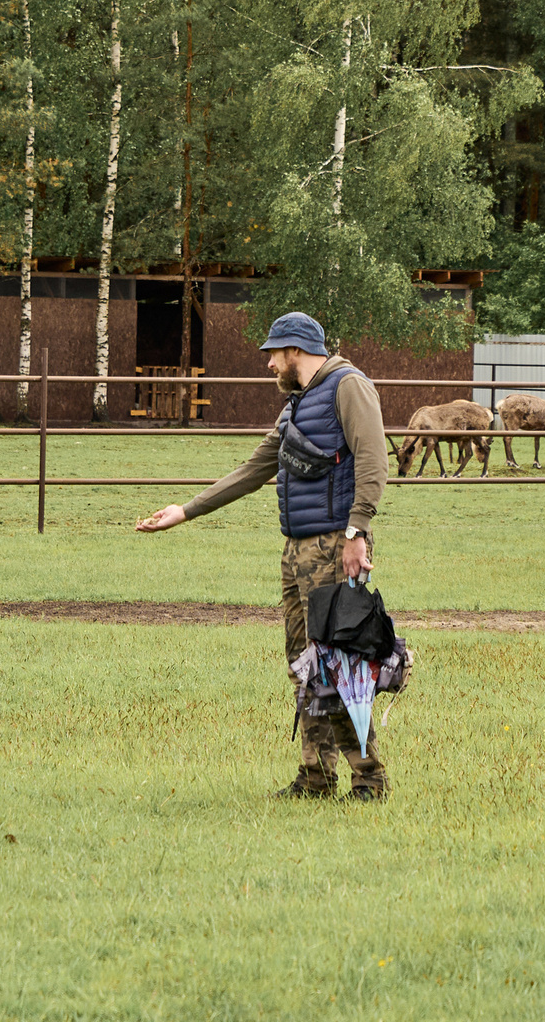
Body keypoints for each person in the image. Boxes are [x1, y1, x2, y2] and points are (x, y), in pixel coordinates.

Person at [135, 310, 390, 800]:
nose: (270, 364)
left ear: (296, 350)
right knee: (305, 665)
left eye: (274, 354)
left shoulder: (348, 387)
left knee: (340, 666)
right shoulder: (297, 405)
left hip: (336, 545)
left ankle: (369, 780)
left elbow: (374, 459)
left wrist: (358, 532)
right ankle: (316, 777)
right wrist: (185, 511)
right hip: (298, 550)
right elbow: (255, 468)